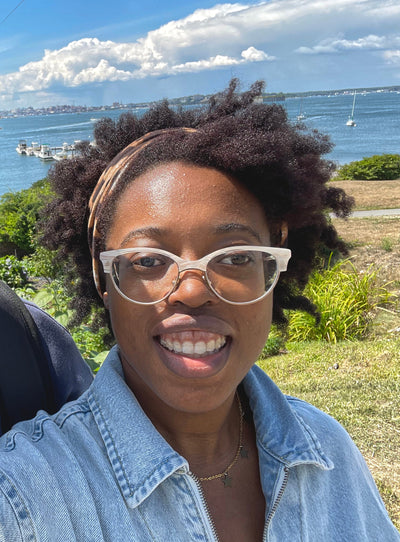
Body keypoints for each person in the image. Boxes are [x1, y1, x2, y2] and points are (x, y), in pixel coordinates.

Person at [0, 80, 398, 541]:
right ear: (105, 283)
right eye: (147, 260)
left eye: (235, 256)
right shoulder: (24, 496)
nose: (191, 291)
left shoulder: (328, 448)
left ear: (271, 275)